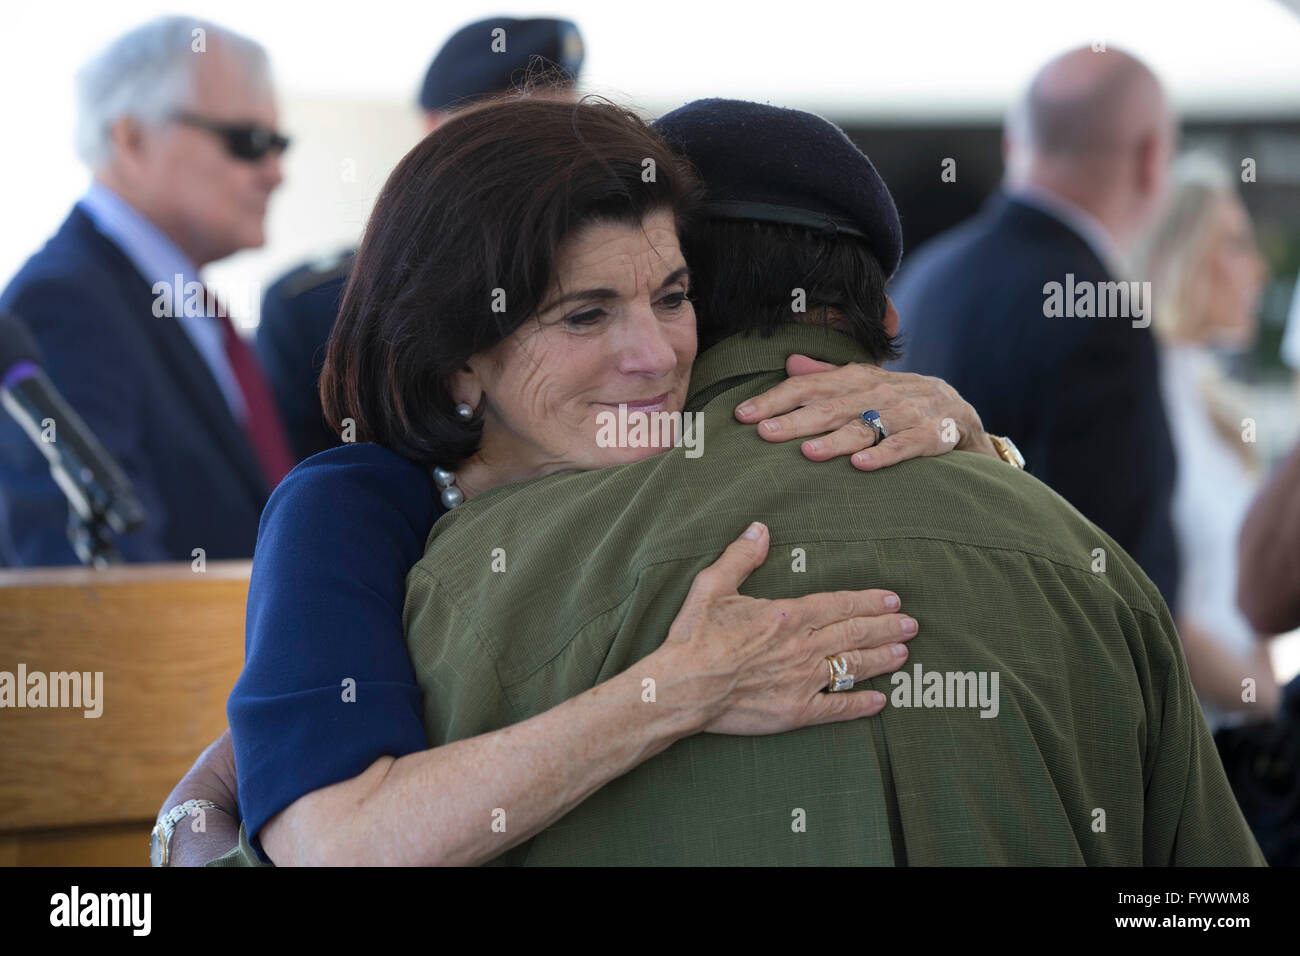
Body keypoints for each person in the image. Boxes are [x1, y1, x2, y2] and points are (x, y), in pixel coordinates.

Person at [230, 96, 1258, 866]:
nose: (651, 353)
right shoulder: (362, 516)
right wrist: (674, 690)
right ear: (460, 356)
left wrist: (976, 443)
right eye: (583, 314)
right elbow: (324, 832)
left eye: (674, 298)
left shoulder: (472, 588)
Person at [889, 46, 1181, 610]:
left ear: (1013, 145)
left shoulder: (927, 273)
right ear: (1150, 159)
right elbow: (1122, 578)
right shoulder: (1100, 312)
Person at [0, 16, 293, 566]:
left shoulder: (180, 301)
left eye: (279, 143)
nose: (276, 172)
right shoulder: (64, 303)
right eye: (248, 142)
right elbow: (84, 568)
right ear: (131, 139)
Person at [257, 16, 585, 462]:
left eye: (569, 130)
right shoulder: (318, 306)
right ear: (436, 129)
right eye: (513, 133)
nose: (547, 160)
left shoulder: (630, 279)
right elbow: (294, 487)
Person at [1132, 155, 1278, 728]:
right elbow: (1156, 600)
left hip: (1245, 737)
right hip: (1196, 746)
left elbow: (1248, 590)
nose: (1259, 270)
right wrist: (1270, 705)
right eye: (1235, 245)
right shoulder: (1139, 396)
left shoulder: (1209, 399)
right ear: (1177, 254)